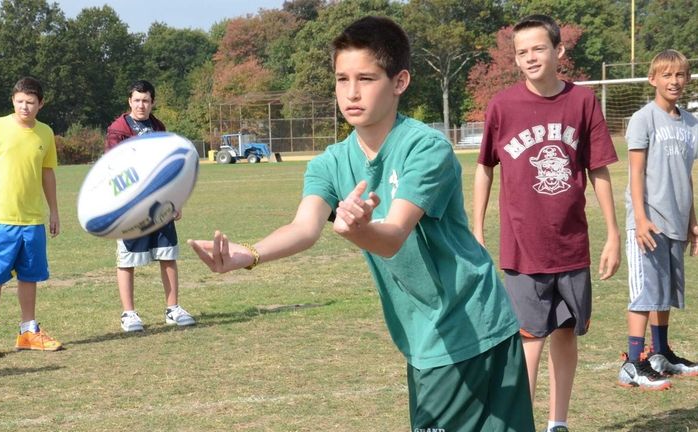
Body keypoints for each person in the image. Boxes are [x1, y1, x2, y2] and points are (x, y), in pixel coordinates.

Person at [189, 16, 534, 431]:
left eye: (366, 79)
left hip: (468, 325)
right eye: (341, 79)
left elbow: (391, 237)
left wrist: (359, 231)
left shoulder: (426, 148)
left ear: (399, 81)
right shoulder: (330, 163)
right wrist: (249, 254)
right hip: (424, 335)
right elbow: (304, 227)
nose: (351, 93)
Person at [471, 14, 620, 432]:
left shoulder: (582, 101)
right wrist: (478, 228)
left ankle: (558, 422)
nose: (530, 57)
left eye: (538, 48)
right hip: (523, 247)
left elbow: (599, 170)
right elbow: (484, 168)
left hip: (572, 245)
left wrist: (612, 234)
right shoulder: (502, 105)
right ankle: (522, 424)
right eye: (521, 52)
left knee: (567, 333)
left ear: (559, 51)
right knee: (529, 340)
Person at [0, 77, 63, 360]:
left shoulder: (45, 133)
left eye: (30, 102)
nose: (25, 107)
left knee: (30, 276)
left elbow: (47, 173)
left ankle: (28, 331)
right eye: (20, 101)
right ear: (13, 101)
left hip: (32, 221)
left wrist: (53, 211)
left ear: (41, 103)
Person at [617, 49, 698, 391]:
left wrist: (693, 221)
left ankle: (660, 353)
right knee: (646, 293)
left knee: (664, 293)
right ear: (653, 79)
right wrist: (640, 216)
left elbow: (687, 175)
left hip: (677, 221)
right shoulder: (643, 118)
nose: (674, 81)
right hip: (648, 221)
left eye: (680, 75)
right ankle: (632, 364)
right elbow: (635, 171)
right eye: (666, 75)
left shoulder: (692, 123)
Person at [105, 79, 195, 332]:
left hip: (160, 203)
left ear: (152, 102)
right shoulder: (118, 129)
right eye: (136, 100)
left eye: (145, 100)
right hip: (132, 206)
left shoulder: (158, 126)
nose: (141, 105)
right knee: (127, 259)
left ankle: (173, 308)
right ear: (129, 101)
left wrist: (175, 198)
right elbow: (115, 166)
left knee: (168, 254)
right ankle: (129, 314)